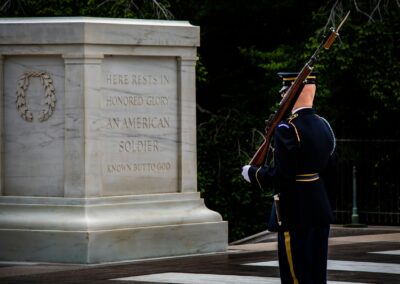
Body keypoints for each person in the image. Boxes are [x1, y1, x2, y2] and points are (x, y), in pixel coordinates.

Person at [242, 72, 337, 284]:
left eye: (284, 92)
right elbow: (331, 169)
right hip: (319, 208)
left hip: (294, 211)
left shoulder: (287, 128)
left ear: (291, 95)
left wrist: (253, 173)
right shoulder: (324, 125)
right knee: (315, 273)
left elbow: (282, 176)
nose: (281, 96)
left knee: (295, 275)